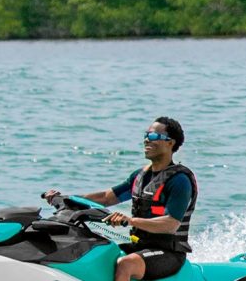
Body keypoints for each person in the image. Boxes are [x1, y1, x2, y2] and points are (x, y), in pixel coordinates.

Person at [44, 117, 197, 281]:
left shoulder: (179, 181)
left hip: (169, 252)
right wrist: (67, 198)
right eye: (146, 135)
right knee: (98, 253)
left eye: (153, 136)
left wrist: (130, 221)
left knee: (126, 264)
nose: (147, 140)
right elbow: (106, 197)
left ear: (170, 143)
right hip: (139, 246)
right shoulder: (140, 176)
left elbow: (171, 224)